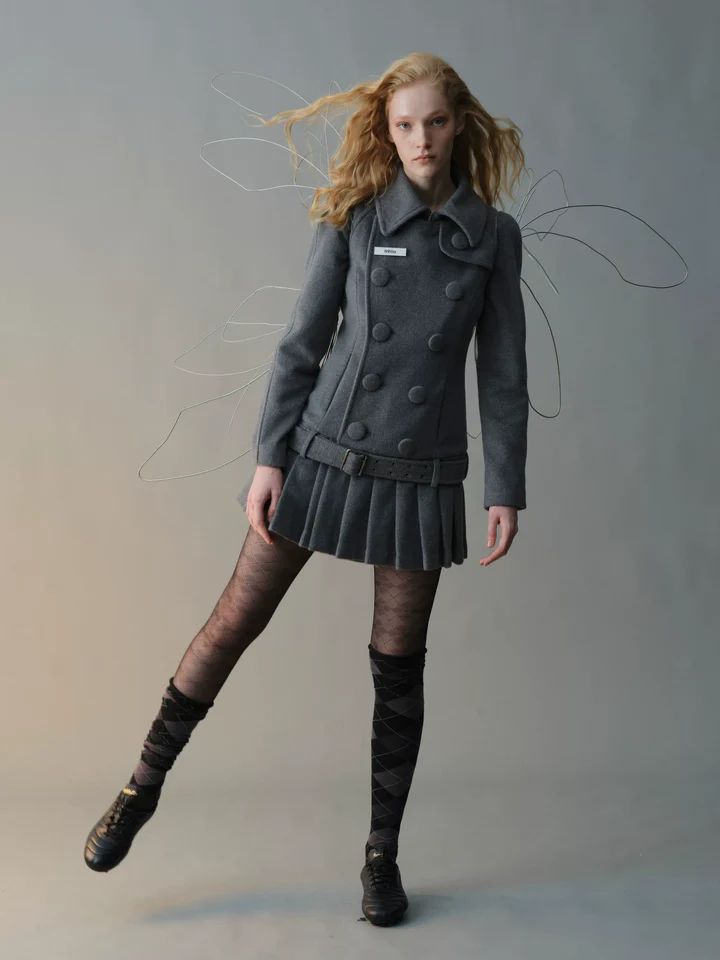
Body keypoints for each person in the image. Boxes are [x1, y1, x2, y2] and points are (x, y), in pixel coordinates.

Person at [84, 51, 529, 928]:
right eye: (405, 125)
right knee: (232, 622)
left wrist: (504, 487)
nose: (421, 140)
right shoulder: (353, 217)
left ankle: (380, 858)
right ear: (386, 131)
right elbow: (302, 342)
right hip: (324, 454)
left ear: (460, 125)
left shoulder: (492, 236)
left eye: (436, 122)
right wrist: (269, 458)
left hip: (421, 472)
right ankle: (139, 788)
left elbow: (503, 374)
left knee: (398, 670)